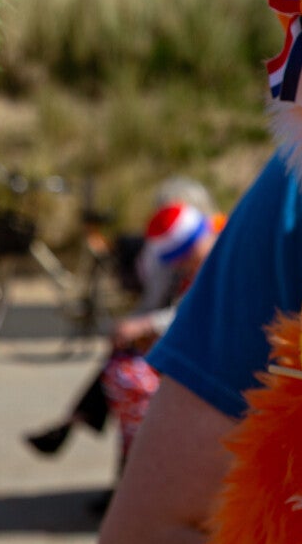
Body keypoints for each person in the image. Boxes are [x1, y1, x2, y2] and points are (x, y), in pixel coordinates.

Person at [88, 154, 302, 544]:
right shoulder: (300, 184)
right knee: (120, 375)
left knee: (128, 380)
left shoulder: (264, 214)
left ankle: (100, 438)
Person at [26, 177, 224, 469]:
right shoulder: (189, 258)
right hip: (182, 352)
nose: (181, 264)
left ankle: (132, 458)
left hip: (199, 361)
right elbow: (166, 304)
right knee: (121, 366)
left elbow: (195, 314)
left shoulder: (218, 259)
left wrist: (145, 326)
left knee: (126, 375)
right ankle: (127, 458)